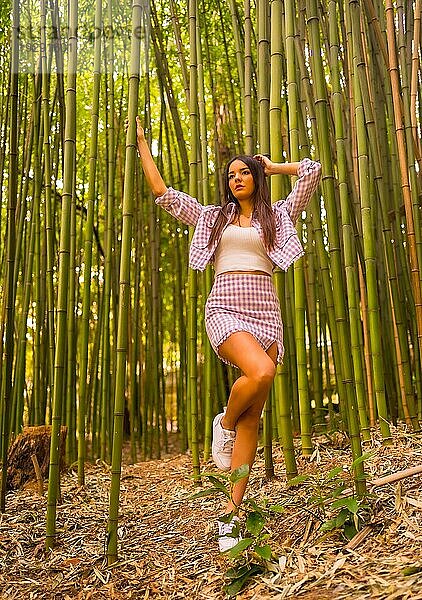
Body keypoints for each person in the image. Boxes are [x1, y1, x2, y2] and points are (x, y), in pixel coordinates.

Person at [132, 116, 321, 552]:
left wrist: (274, 168)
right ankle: (224, 421)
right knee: (260, 373)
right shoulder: (213, 217)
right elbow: (163, 194)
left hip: (266, 312)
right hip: (226, 307)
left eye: (244, 172)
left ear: (254, 177)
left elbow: (311, 173)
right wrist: (142, 143)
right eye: (231, 175)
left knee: (256, 416)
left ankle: (232, 517)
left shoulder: (278, 216)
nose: (237, 178)